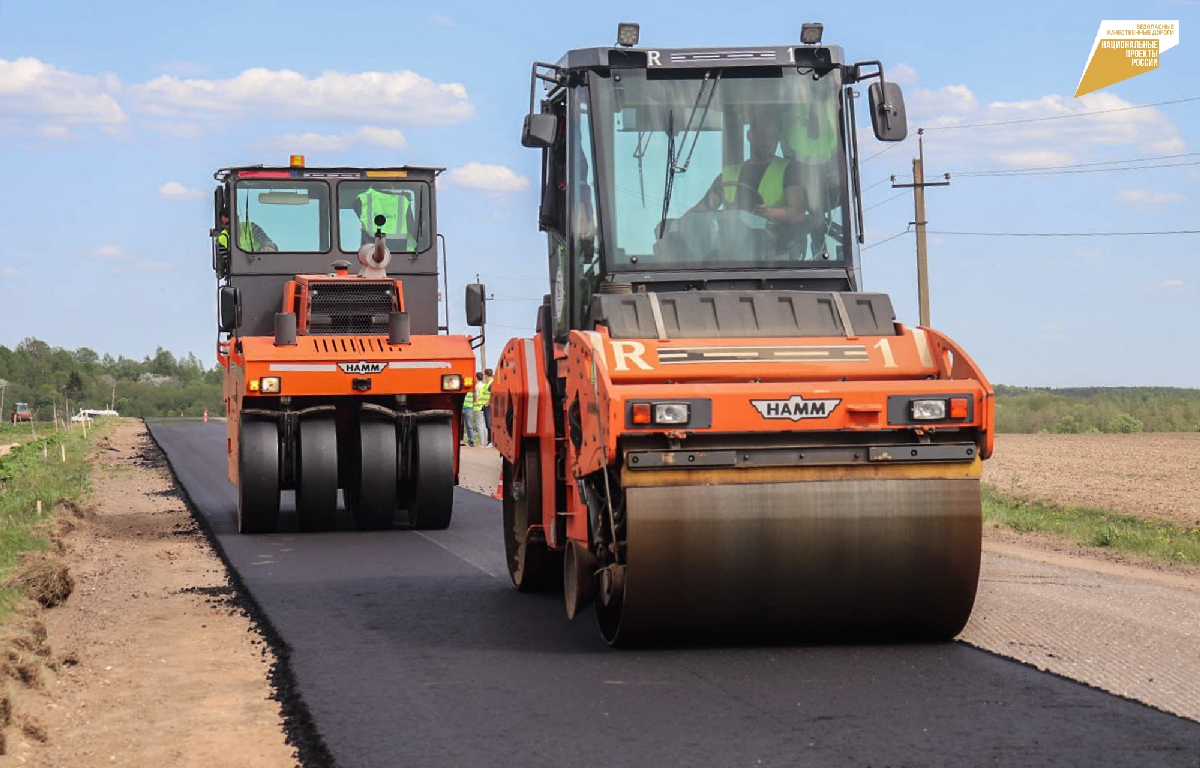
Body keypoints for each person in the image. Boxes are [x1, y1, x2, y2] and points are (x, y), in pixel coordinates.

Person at [690, 114, 807, 246]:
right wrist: (675, 224)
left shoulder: (788, 169)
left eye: (773, 136)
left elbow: (797, 213)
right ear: (749, 136)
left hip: (771, 253)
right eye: (763, 135)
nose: (768, 141)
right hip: (729, 250)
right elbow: (702, 209)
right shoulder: (728, 175)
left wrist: (769, 212)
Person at [471, 372, 487, 448]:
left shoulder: (477, 386)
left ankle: (482, 443)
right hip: (484, 407)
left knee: (479, 426)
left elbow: (476, 397)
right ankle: (486, 442)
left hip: (477, 407)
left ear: (476, 378)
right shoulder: (484, 386)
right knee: (484, 425)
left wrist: (472, 401)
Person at [478, 369, 494, 447]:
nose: (483, 376)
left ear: (486, 375)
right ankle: (489, 441)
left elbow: (493, 393)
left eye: (484, 375)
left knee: (489, 424)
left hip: (489, 405)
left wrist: (489, 401)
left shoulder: (491, 383)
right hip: (485, 405)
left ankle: (491, 441)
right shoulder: (488, 383)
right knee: (488, 424)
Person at [461, 383, 477, 447]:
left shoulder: (461, 388)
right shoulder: (473, 388)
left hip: (463, 407)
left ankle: (461, 440)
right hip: (468, 408)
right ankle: (471, 441)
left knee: (462, 425)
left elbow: (475, 398)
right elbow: (475, 398)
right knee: (469, 425)